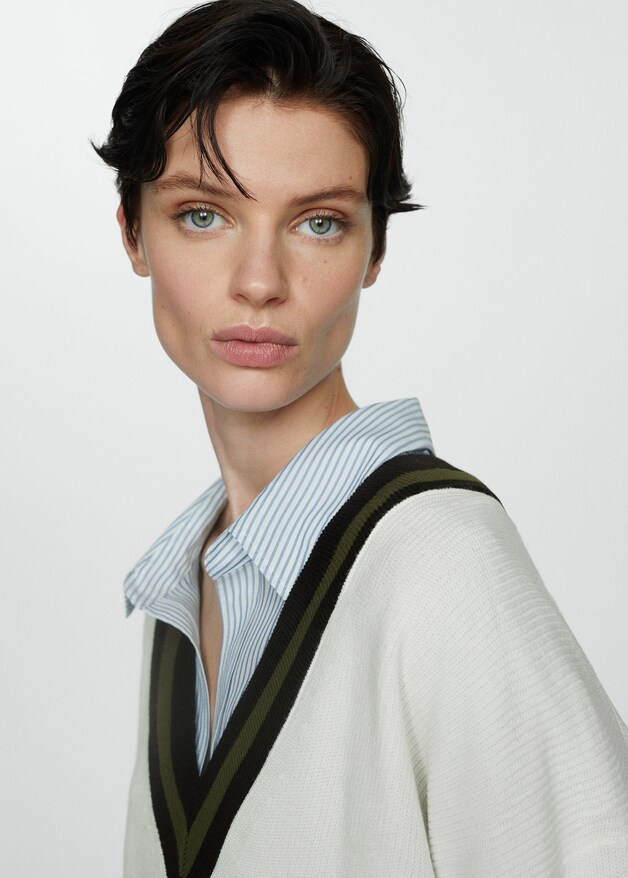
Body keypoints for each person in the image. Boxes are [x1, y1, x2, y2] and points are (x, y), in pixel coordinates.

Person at [95, 1, 628, 875]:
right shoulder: (179, 590)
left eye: (319, 222)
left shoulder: (441, 568)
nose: (260, 281)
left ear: (375, 251)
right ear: (132, 233)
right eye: (203, 214)